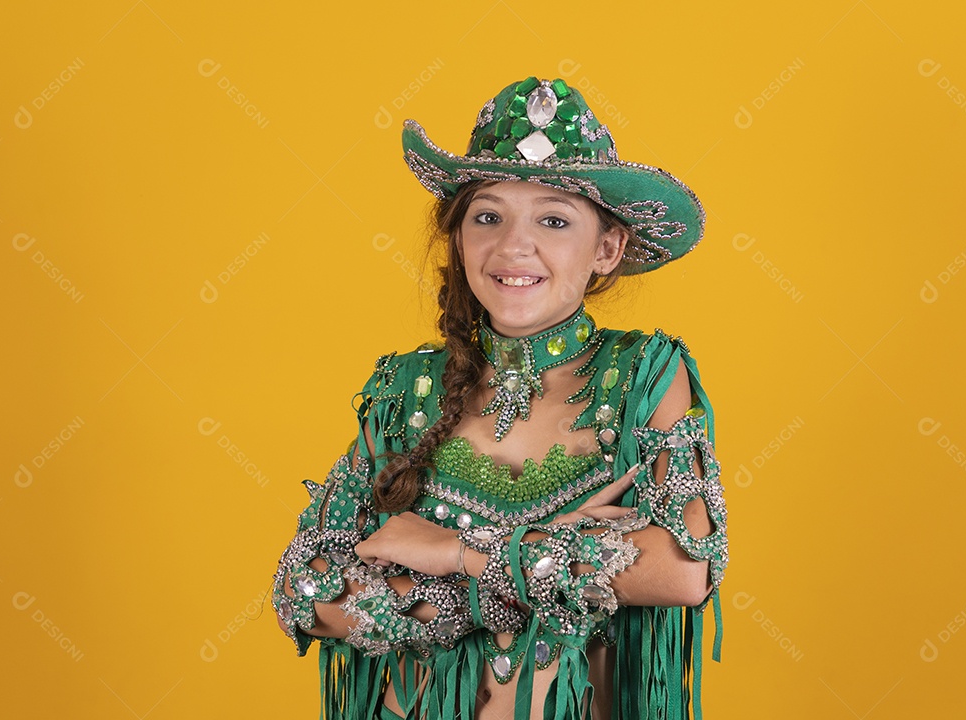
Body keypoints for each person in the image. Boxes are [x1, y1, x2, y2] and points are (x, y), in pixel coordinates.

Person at [272, 75, 729, 720]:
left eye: (553, 218)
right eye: (488, 216)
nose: (514, 245)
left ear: (608, 248)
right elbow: (305, 591)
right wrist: (550, 564)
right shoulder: (405, 391)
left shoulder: (644, 376)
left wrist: (456, 557)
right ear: (458, 240)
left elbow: (683, 568)